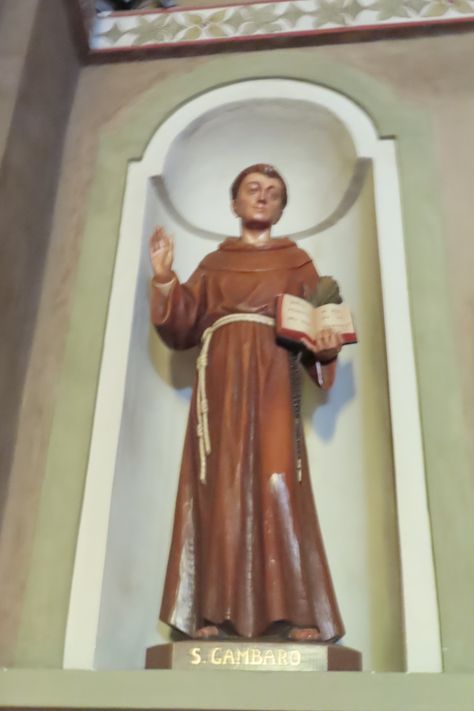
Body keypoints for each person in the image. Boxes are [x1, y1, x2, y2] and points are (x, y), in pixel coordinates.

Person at [149, 164, 345, 642]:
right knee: (220, 482)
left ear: (281, 208)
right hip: (220, 378)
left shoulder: (297, 263)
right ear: (234, 203)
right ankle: (210, 612)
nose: (262, 197)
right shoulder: (215, 264)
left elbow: (320, 323)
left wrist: (325, 346)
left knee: (279, 481)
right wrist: (166, 279)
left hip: (274, 371)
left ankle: (296, 612)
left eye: (273, 192)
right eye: (253, 189)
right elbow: (183, 325)